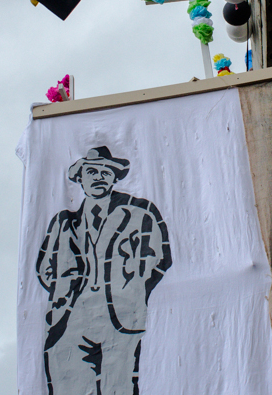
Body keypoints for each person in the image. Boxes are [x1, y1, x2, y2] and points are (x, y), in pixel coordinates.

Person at [36, 146, 172, 395]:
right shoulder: (64, 222)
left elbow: (159, 261)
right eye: (91, 171)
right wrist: (67, 293)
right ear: (80, 178)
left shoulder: (140, 213)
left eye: (105, 172)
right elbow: (46, 269)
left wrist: (131, 291)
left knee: (118, 387)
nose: (98, 177)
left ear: (114, 177)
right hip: (70, 319)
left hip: (121, 318)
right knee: (68, 384)